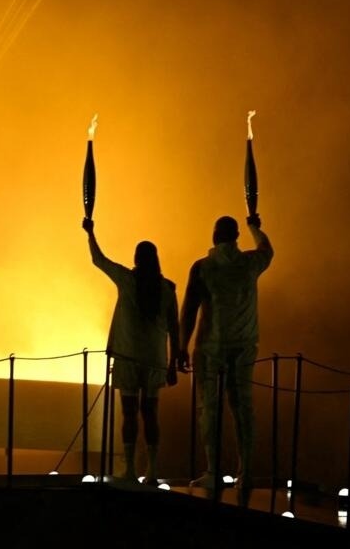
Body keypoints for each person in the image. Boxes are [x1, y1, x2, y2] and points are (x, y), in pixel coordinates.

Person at [178, 213, 273, 506]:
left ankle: (213, 469)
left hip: (211, 347)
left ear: (214, 236)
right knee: (243, 408)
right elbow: (268, 249)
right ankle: (246, 471)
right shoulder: (249, 264)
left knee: (209, 408)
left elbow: (190, 309)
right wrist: (255, 227)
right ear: (236, 237)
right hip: (244, 346)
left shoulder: (204, 267)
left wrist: (181, 346)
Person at [82, 217, 181, 481]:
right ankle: (153, 468)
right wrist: (173, 364)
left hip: (128, 357)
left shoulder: (127, 280)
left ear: (136, 259)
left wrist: (90, 233)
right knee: (150, 414)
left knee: (128, 413)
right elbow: (174, 327)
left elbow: (99, 260)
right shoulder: (167, 289)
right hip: (154, 360)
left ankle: (130, 468)